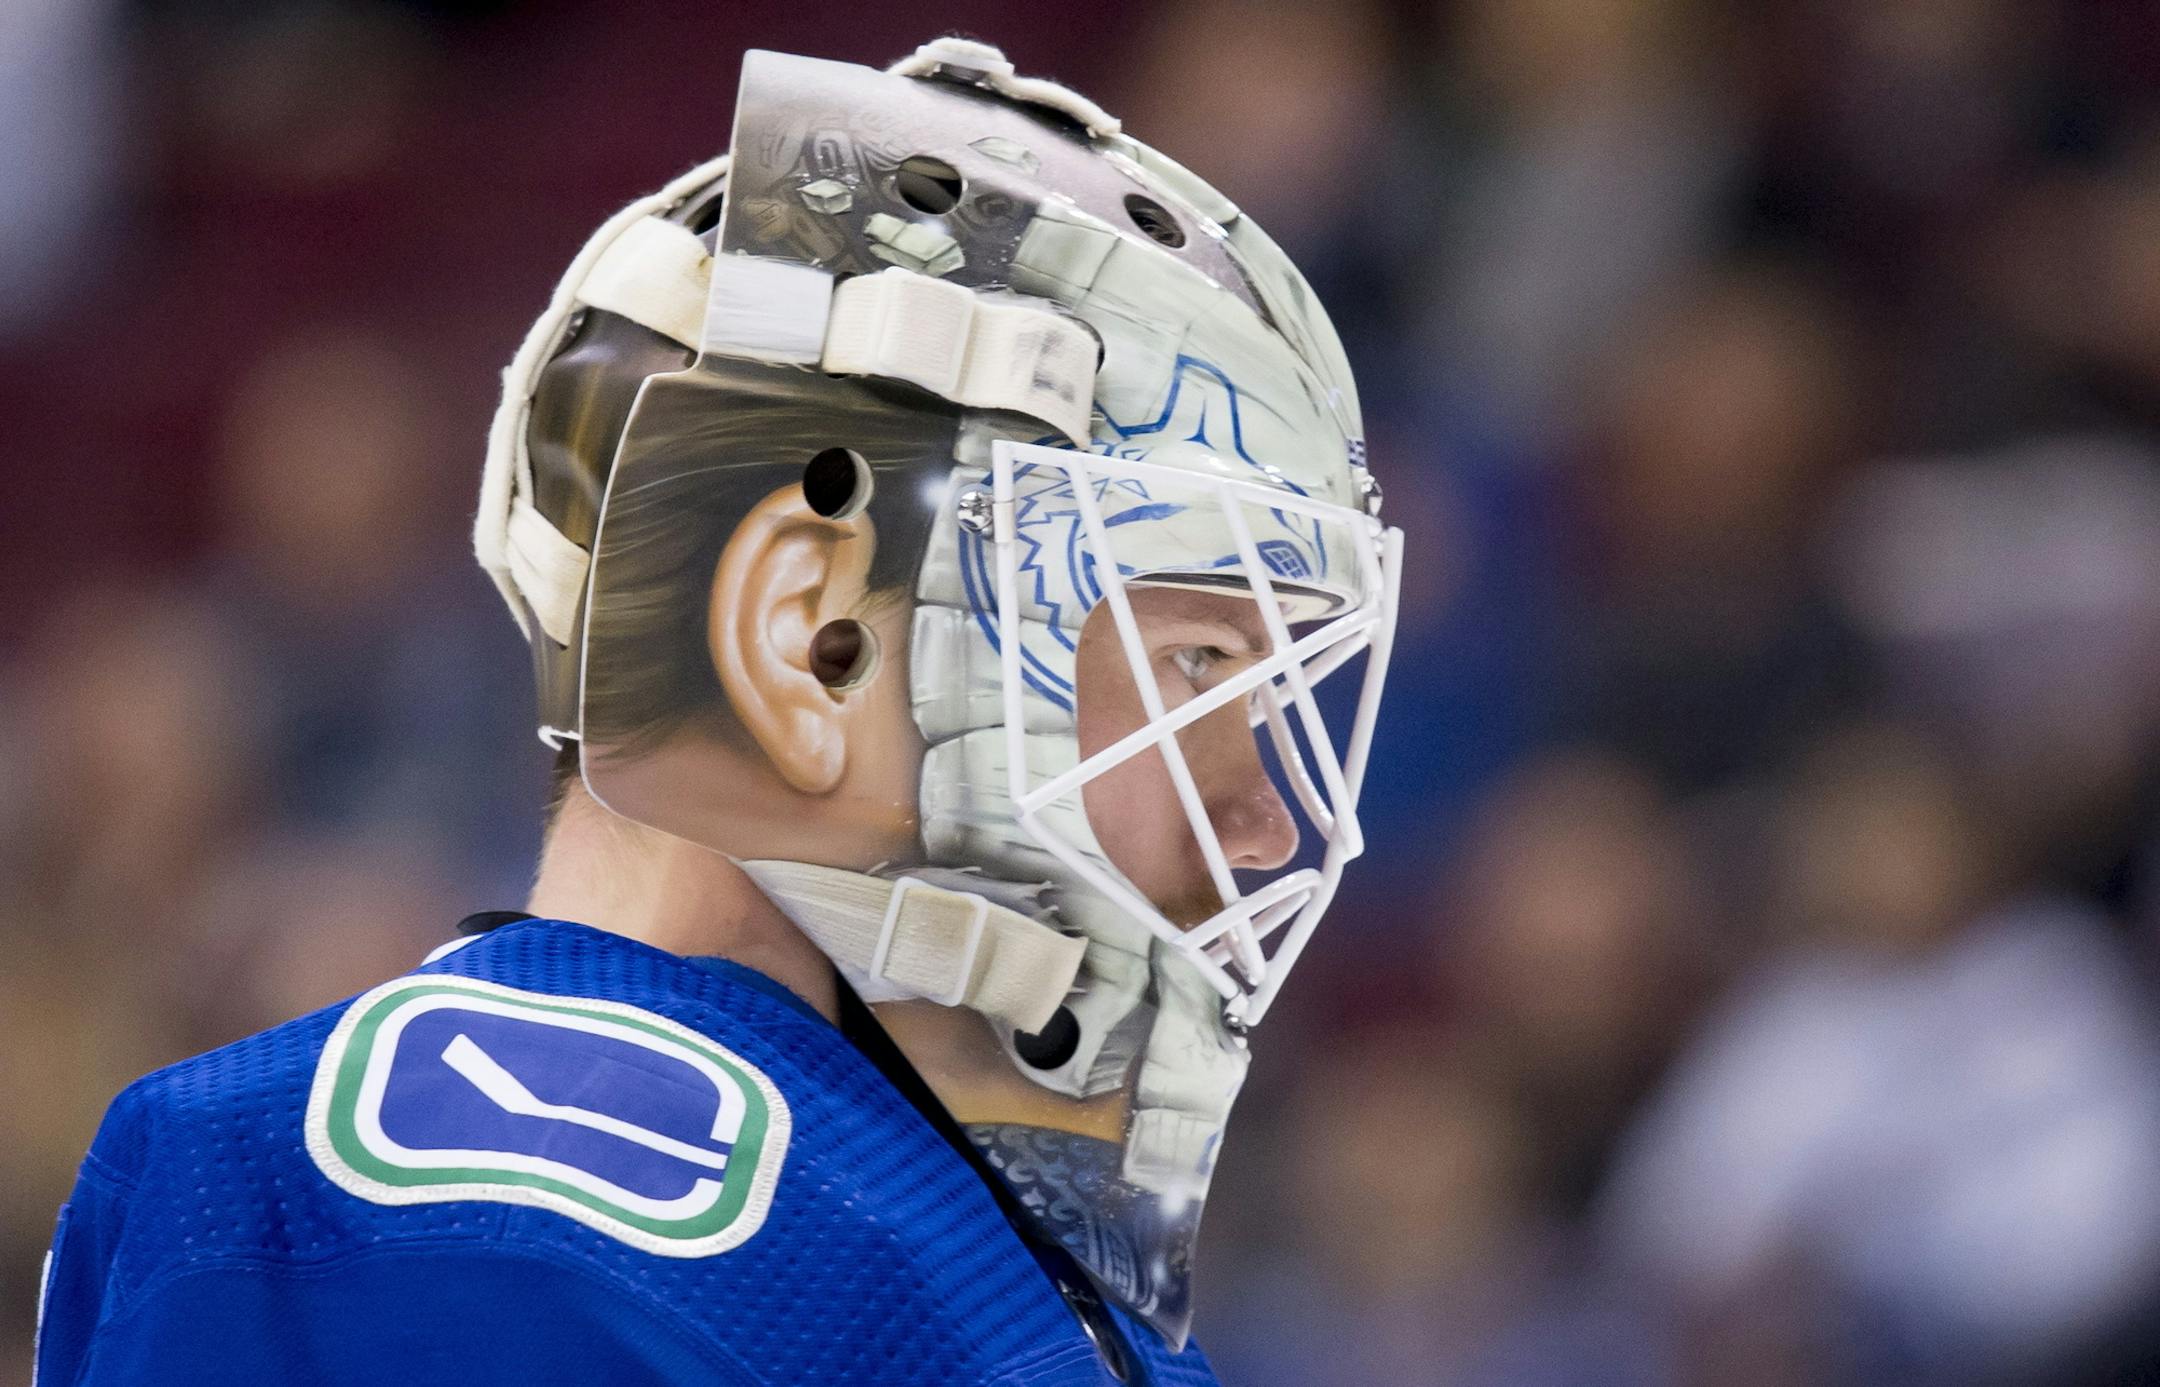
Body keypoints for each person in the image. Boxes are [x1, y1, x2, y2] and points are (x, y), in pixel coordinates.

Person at [35, 37, 1402, 1386]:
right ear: (806, 634)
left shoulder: (203, 1171)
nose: (1265, 819)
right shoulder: (799, 1282)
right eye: (1198, 669)